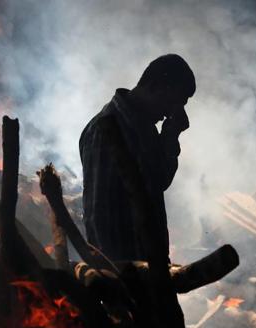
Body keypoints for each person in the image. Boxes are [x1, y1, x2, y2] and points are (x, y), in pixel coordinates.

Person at [79, 54, 195, 262]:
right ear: (155, 86)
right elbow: (99, 216)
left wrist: (170, 137)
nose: (172, 113)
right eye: (173, 102)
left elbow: (158, 181)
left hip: (148, 267)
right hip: (127, 273)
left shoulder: (144, 127)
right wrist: (120, 278)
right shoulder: (105, 129)